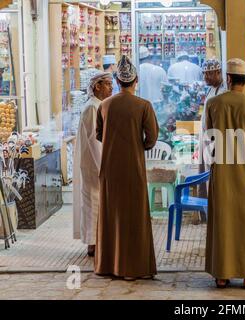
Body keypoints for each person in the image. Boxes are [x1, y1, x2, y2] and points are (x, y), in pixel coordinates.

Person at [95, 55, 159, 280]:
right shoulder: (144, 106)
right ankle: (133, 268)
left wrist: (116, 143)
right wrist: (136, 145)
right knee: (134, 215)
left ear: (117, 80)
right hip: (133, 166)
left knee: (111, 214)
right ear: (136, 80)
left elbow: (99, 135)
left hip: (110, 168)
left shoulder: (104, 105)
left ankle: (108, 265)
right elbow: (152, 138)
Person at [205, 58, 245, 289]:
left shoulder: (213, 103)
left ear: (228, 79)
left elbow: (209, 134)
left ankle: (221, 275)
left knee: (223, 221)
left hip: (222, 169)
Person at [73, 72, 113, 257]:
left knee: (97, 203)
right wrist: (103, 165)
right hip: (93, 164)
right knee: (93, 204)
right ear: (97, 86)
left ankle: (98, 242)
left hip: (97, 163)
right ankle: (92, 244)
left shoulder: (99, 105)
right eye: (107, 84)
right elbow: (94, 141)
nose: (111, 88)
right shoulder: (91, 108)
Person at [198, 58, 227, 199]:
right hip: (207, 140)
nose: (205, 77)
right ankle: (207, 211)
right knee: (206, 174)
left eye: (208, 74)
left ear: (218, 72)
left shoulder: (222, 92)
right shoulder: (211, 90)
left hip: (215, 141)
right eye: (204, 74)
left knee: (214, 177)